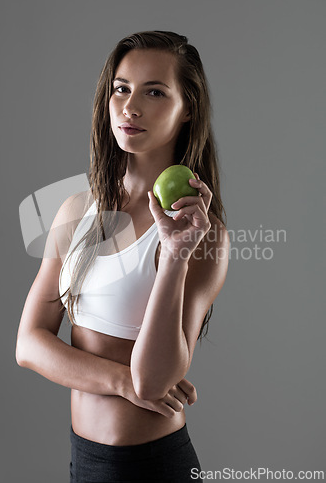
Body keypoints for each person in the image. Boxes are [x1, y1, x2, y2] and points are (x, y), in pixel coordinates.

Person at [16, 30, 230, 482]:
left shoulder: (202, 235)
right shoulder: (77, 209)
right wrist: (121, 382)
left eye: (154, 91)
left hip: (152, 466)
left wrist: (174, 255)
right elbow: (29, 343)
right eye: (121, 88)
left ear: (187, 107)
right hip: (85, 463)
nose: (130, 106)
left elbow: (153, 384)